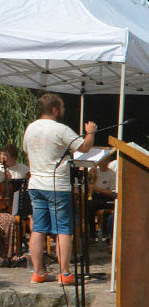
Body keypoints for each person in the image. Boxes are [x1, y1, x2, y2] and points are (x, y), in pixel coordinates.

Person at [23, 93, 96, 285]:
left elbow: (26, 150)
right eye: (62, 107)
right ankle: (64, 274)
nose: (64, 110)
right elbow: (84, 147)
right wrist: (91, 132)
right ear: (55, 109)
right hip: (57, 185)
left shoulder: (30, 128)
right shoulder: (60, 129)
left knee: (38, 229)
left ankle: (38, 273)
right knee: (63, 229)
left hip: (36, 184)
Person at [88, 157, 116, 238]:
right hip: (95, 196)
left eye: (106, 161)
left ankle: (104, 233)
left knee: (96, 207)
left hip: (107, 198)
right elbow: (89, 185)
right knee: (88, 206)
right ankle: (92, 232)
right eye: (102, 161)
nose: (103, 163)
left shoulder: (112, 174)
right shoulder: (95, 171)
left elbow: (113, 193)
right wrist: (89, 176)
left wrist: (98, 189)